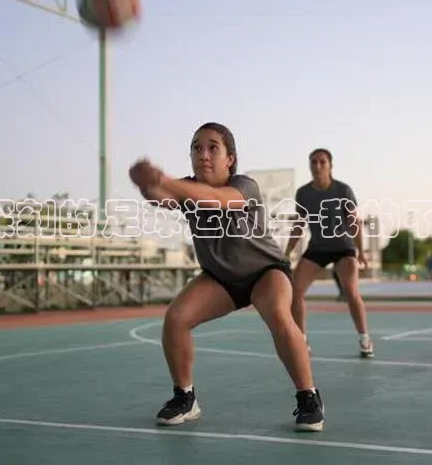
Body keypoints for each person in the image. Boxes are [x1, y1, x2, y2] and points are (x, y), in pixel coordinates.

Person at [128, 122, 324, 431]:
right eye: (196, 148)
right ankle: (185, 397)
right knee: (176, 318)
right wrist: (144, 184)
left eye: (212, 147)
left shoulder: (243, 186)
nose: (203, 154)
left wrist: (161, 180)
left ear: (229, 158)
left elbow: (211, 198)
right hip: (220, 278)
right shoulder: (186, 187)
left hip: (266, 271)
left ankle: (308, 397)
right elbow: (161, 197)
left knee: (276, 313)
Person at [284, 148, 374, 358]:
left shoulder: (343, 190)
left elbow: (354, 223)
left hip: (343, 248)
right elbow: (299, 224)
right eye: (313, 162)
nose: (317, 166)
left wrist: (360, 252)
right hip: (317, 249)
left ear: (330, 166)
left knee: (350, 291)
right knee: (295, 293)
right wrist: (287, 252)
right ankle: (302, 341)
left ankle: (365, 339)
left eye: (322, 162)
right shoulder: (304, 193)